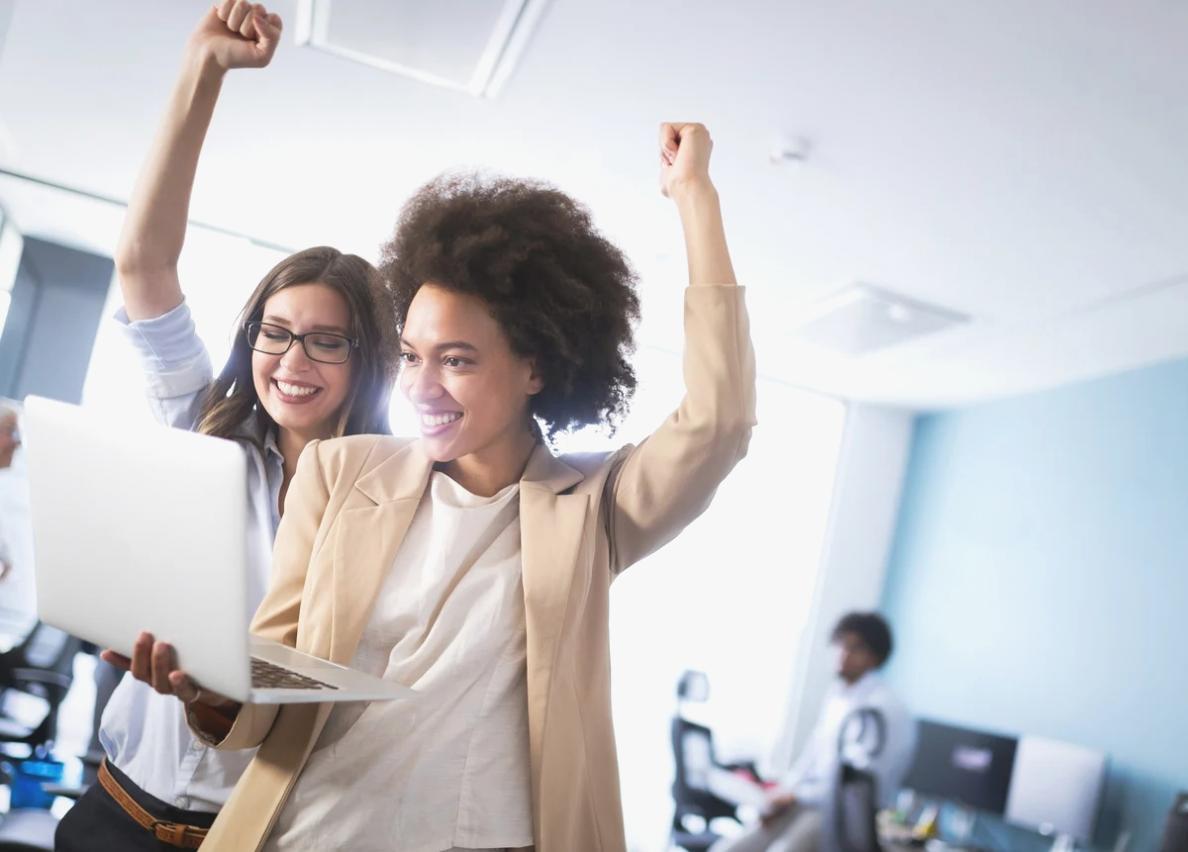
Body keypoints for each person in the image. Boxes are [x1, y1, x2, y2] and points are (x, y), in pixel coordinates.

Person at [120, 106, 755, 852]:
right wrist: (211, 697)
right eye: (413, 356)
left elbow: (719, 422)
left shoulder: (592, 510)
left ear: (535, 366)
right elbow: (275, 679)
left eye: (456, 359)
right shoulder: (341, 471)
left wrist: (695, 197)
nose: (422, 387)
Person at [54, 3, 400, 850]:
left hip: (247, 837)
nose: (291, 361)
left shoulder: (394, 500)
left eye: (326, 341)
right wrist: (203, 70)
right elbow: (143, 264)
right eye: (275, 334)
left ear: (369, 360)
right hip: (112, 817)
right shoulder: (202, 428)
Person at [710, 612, 917, 852]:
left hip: (838, 814)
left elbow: (851, 787)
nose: (844, 654)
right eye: (841, 645)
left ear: (875, 657)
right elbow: (813, 756)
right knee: (735, 846)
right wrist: (785, 793)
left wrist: (795, 796)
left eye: (855, 648)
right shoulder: (839, 696)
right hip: (807, 799)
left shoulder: (881, 710)